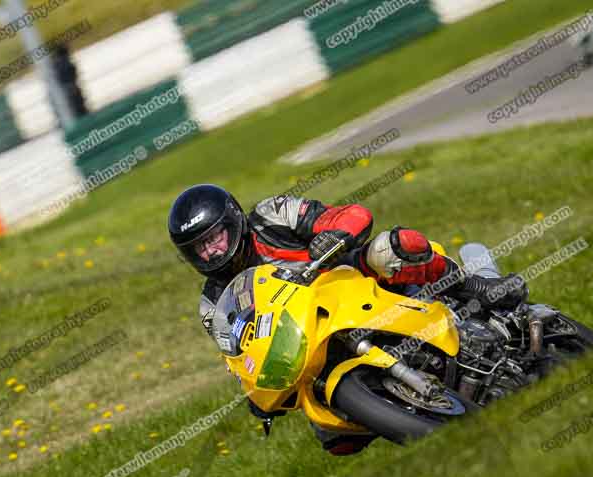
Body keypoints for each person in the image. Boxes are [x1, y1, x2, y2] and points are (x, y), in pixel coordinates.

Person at [168, 184, 527, 454]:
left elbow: (350, 215)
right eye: (200, 247)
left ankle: (475, 285)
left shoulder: (271, 215)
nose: (212, 250)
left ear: (233, 221)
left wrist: (335, 235)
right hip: (310, 340)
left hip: (350, 279)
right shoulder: (211, 304)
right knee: (336, 439)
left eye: (216, 237)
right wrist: (255, 391)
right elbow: (238, 354)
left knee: (393, 248)